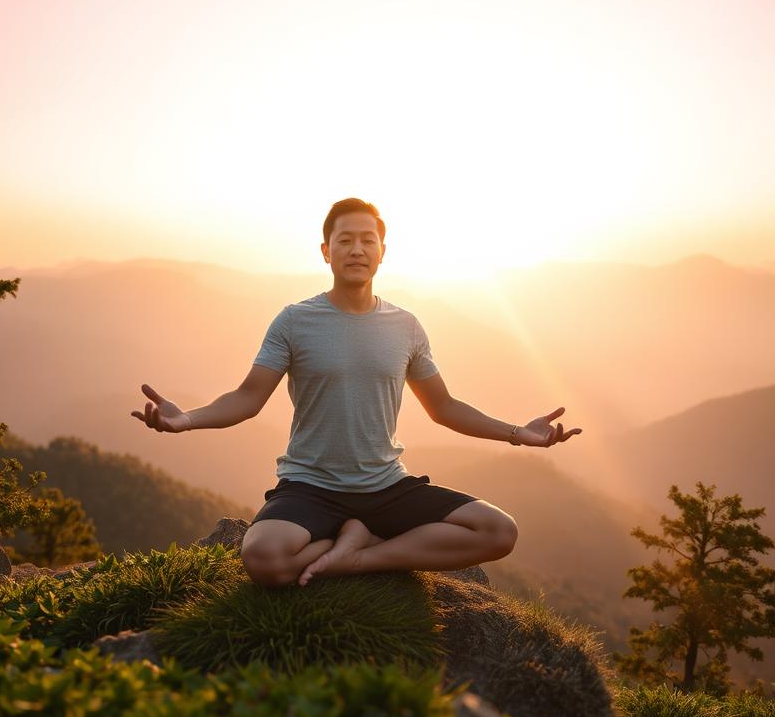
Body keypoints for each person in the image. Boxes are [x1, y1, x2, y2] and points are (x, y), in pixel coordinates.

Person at [132, 197, 582, 588]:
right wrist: (185, 419)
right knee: (264, 559)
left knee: (498, 531)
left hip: (386, 485)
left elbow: (442, 407)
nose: (357, 249)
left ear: (383, 252)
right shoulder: (294, 321)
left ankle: (359, 554)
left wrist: (518, 432)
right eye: (345, 240)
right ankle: (361, 542)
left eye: (368, 240)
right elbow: (248, 398)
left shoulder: (405, 326)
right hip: (310, 485)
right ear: (326, 251)